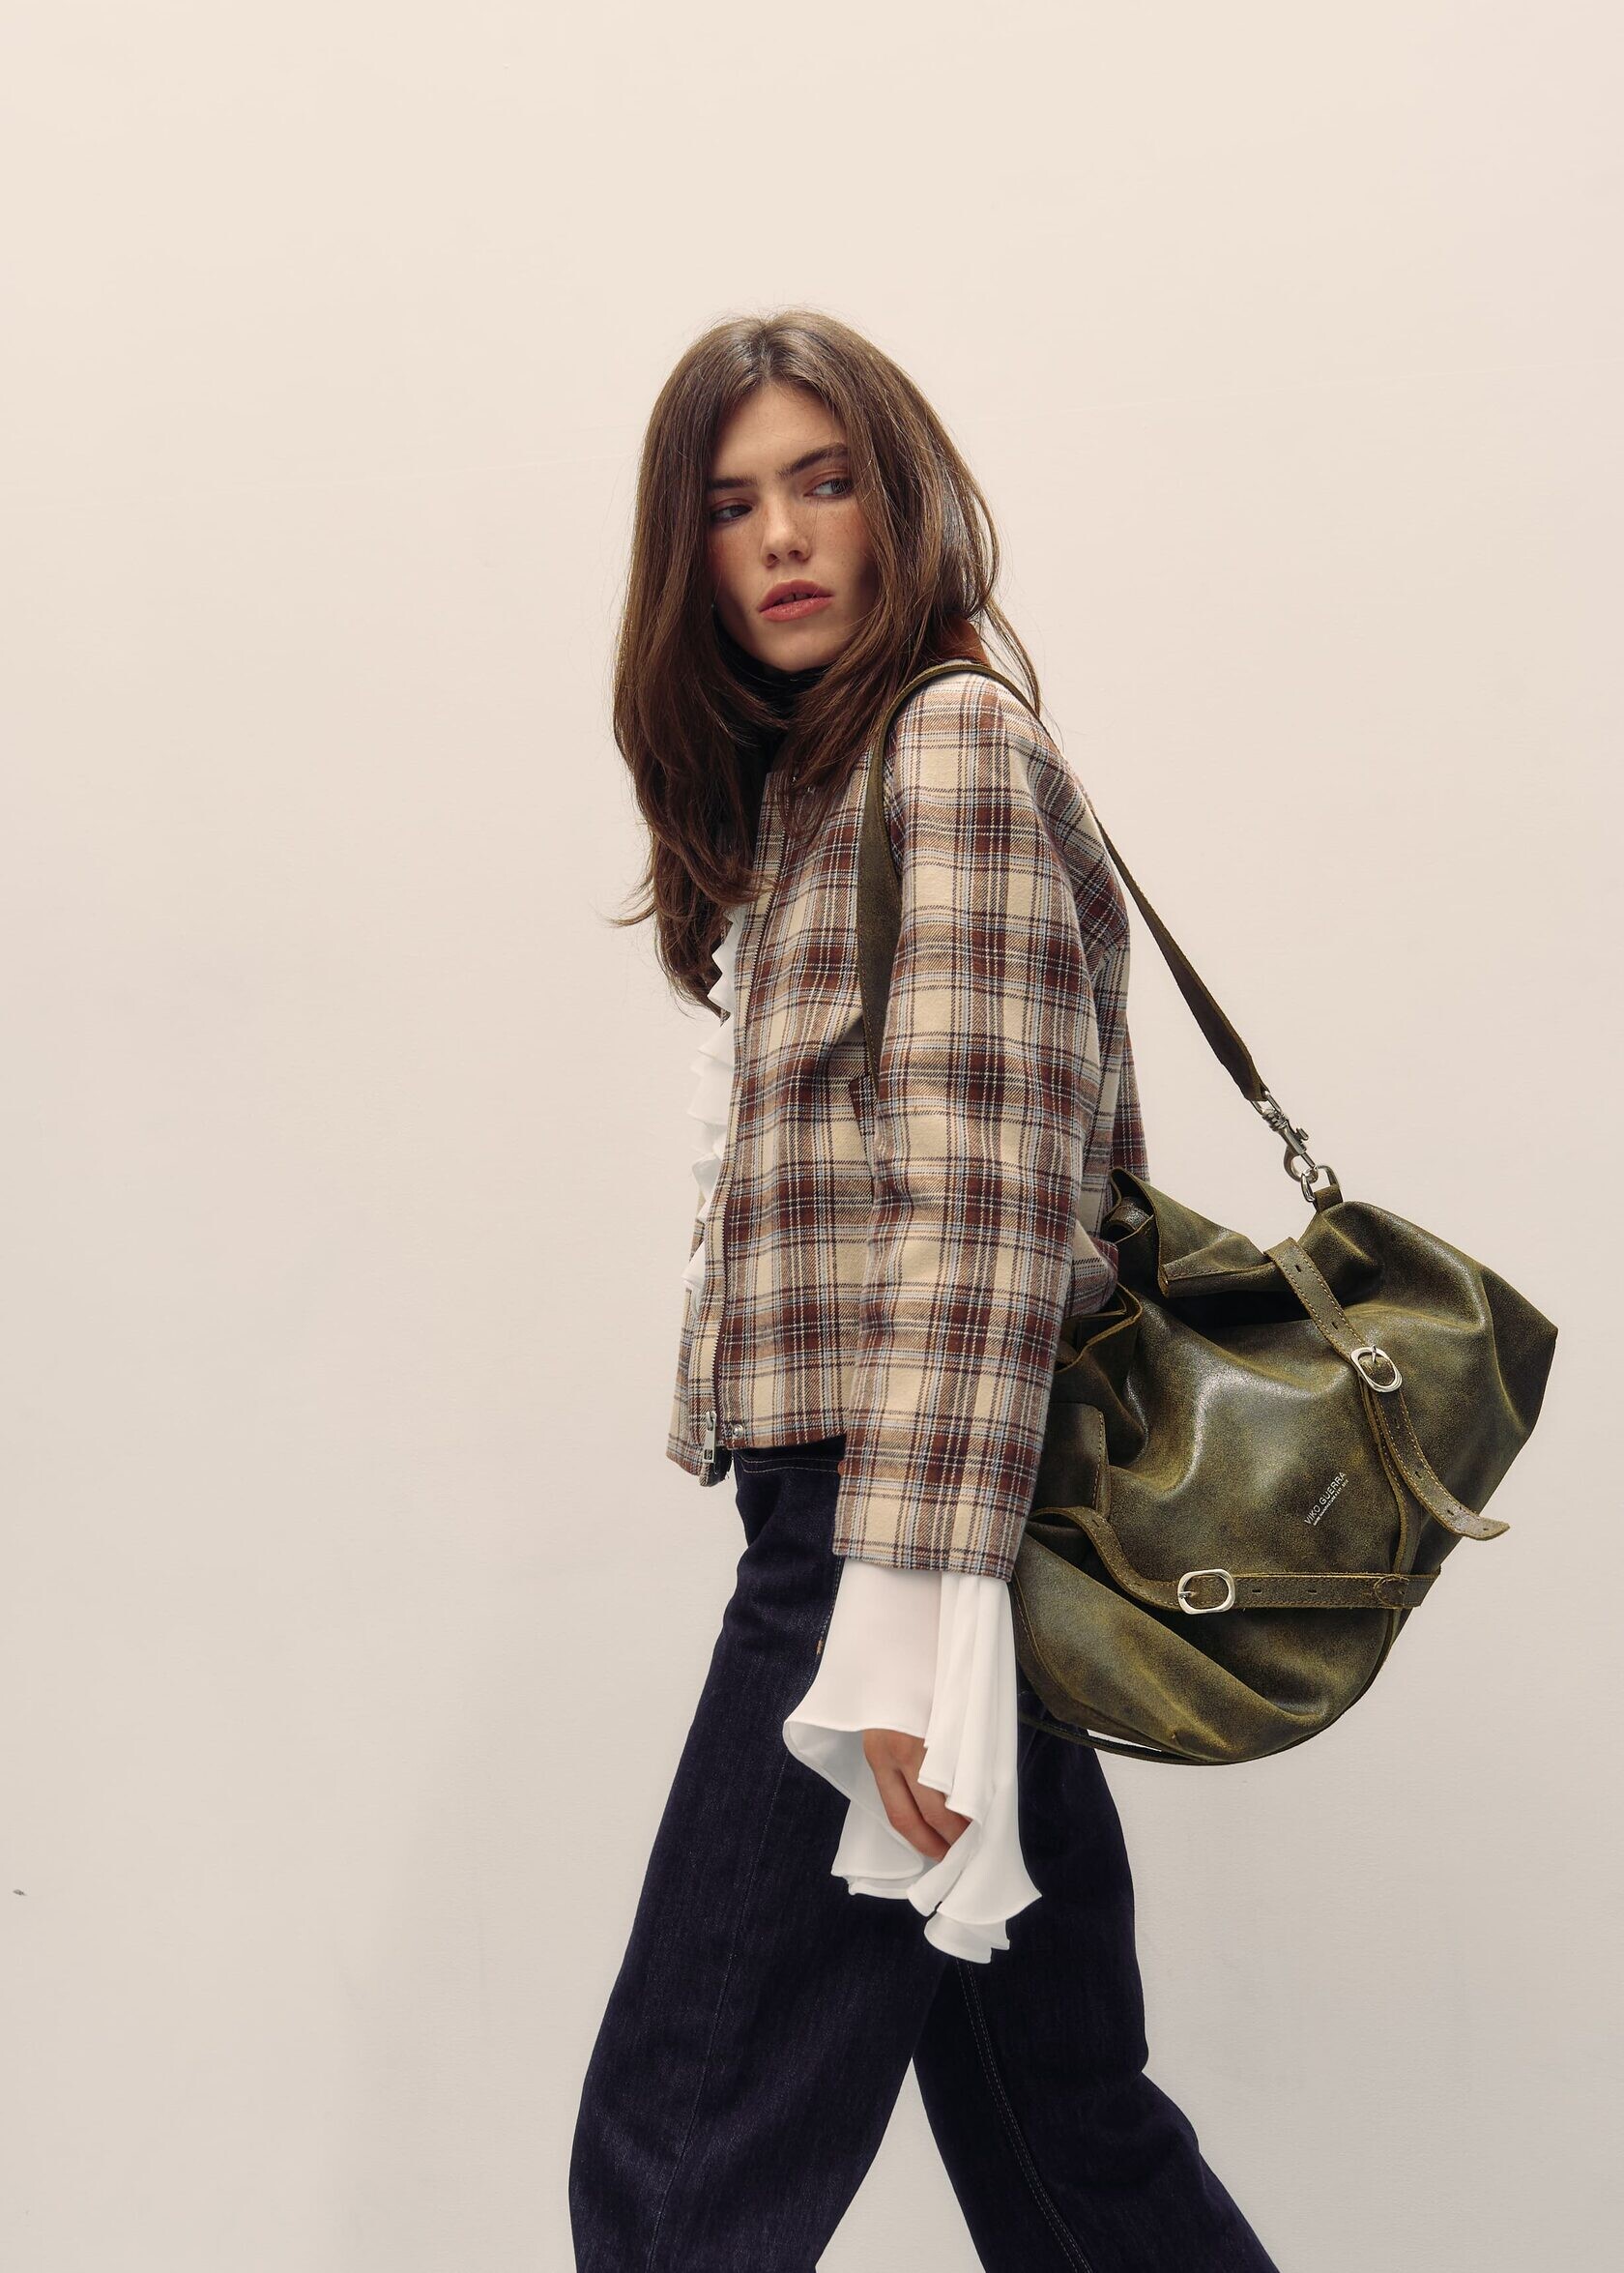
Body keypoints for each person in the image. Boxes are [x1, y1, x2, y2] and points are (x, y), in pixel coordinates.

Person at [569, 309, 1283, 2272]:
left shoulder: (946, 745)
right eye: (733, 506)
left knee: (679, 2162)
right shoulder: (821, 785)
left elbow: (984, 1206)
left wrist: (902, 1627)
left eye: (827, 483)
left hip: (885, 1537)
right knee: (1070, 2147)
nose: (786, 538)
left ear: (902, 503)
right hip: (944, 1527)